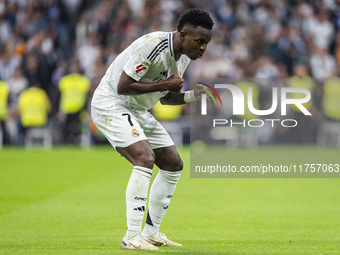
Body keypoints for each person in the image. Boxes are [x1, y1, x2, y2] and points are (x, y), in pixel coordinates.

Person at [91, 8, 213, 251]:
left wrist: (191, 96)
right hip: (112, 103)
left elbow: (166, 98)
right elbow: (123, 86)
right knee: (144, 158)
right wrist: (167, 83)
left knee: (173, 164)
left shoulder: (185, 56)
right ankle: (132, 237)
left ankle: (151, 233)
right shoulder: (153, 45)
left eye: (207, 43)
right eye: (200, 41)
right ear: (183, 34)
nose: (203, 48)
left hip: (136, 109)